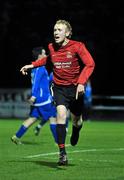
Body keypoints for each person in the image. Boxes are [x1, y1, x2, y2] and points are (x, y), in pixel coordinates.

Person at [20, 19, 95, 166]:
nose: (56, 32)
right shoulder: (51, 47)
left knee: (77, 120)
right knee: (61, 114)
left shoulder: (78, 46)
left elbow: (90, 64)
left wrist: (81, 82)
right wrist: (32, 65)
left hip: (75, 89)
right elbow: (48, 59)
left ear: (67, 33)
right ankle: (62, 154)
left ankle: (76, 130)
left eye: (59, 30)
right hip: (59, 88)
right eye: (54, 30)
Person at [11, 47, 58, 145]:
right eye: (44, 53)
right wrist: (33, 95)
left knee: (32, 118)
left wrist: (52, 76)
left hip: (38, 99)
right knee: (53, 117)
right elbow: (36, 82)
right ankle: (58, 142)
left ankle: (16, 136)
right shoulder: (39, 67)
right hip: (43, 99)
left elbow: (43, 81)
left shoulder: (35, 67)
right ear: (39, 55)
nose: (45, 55)